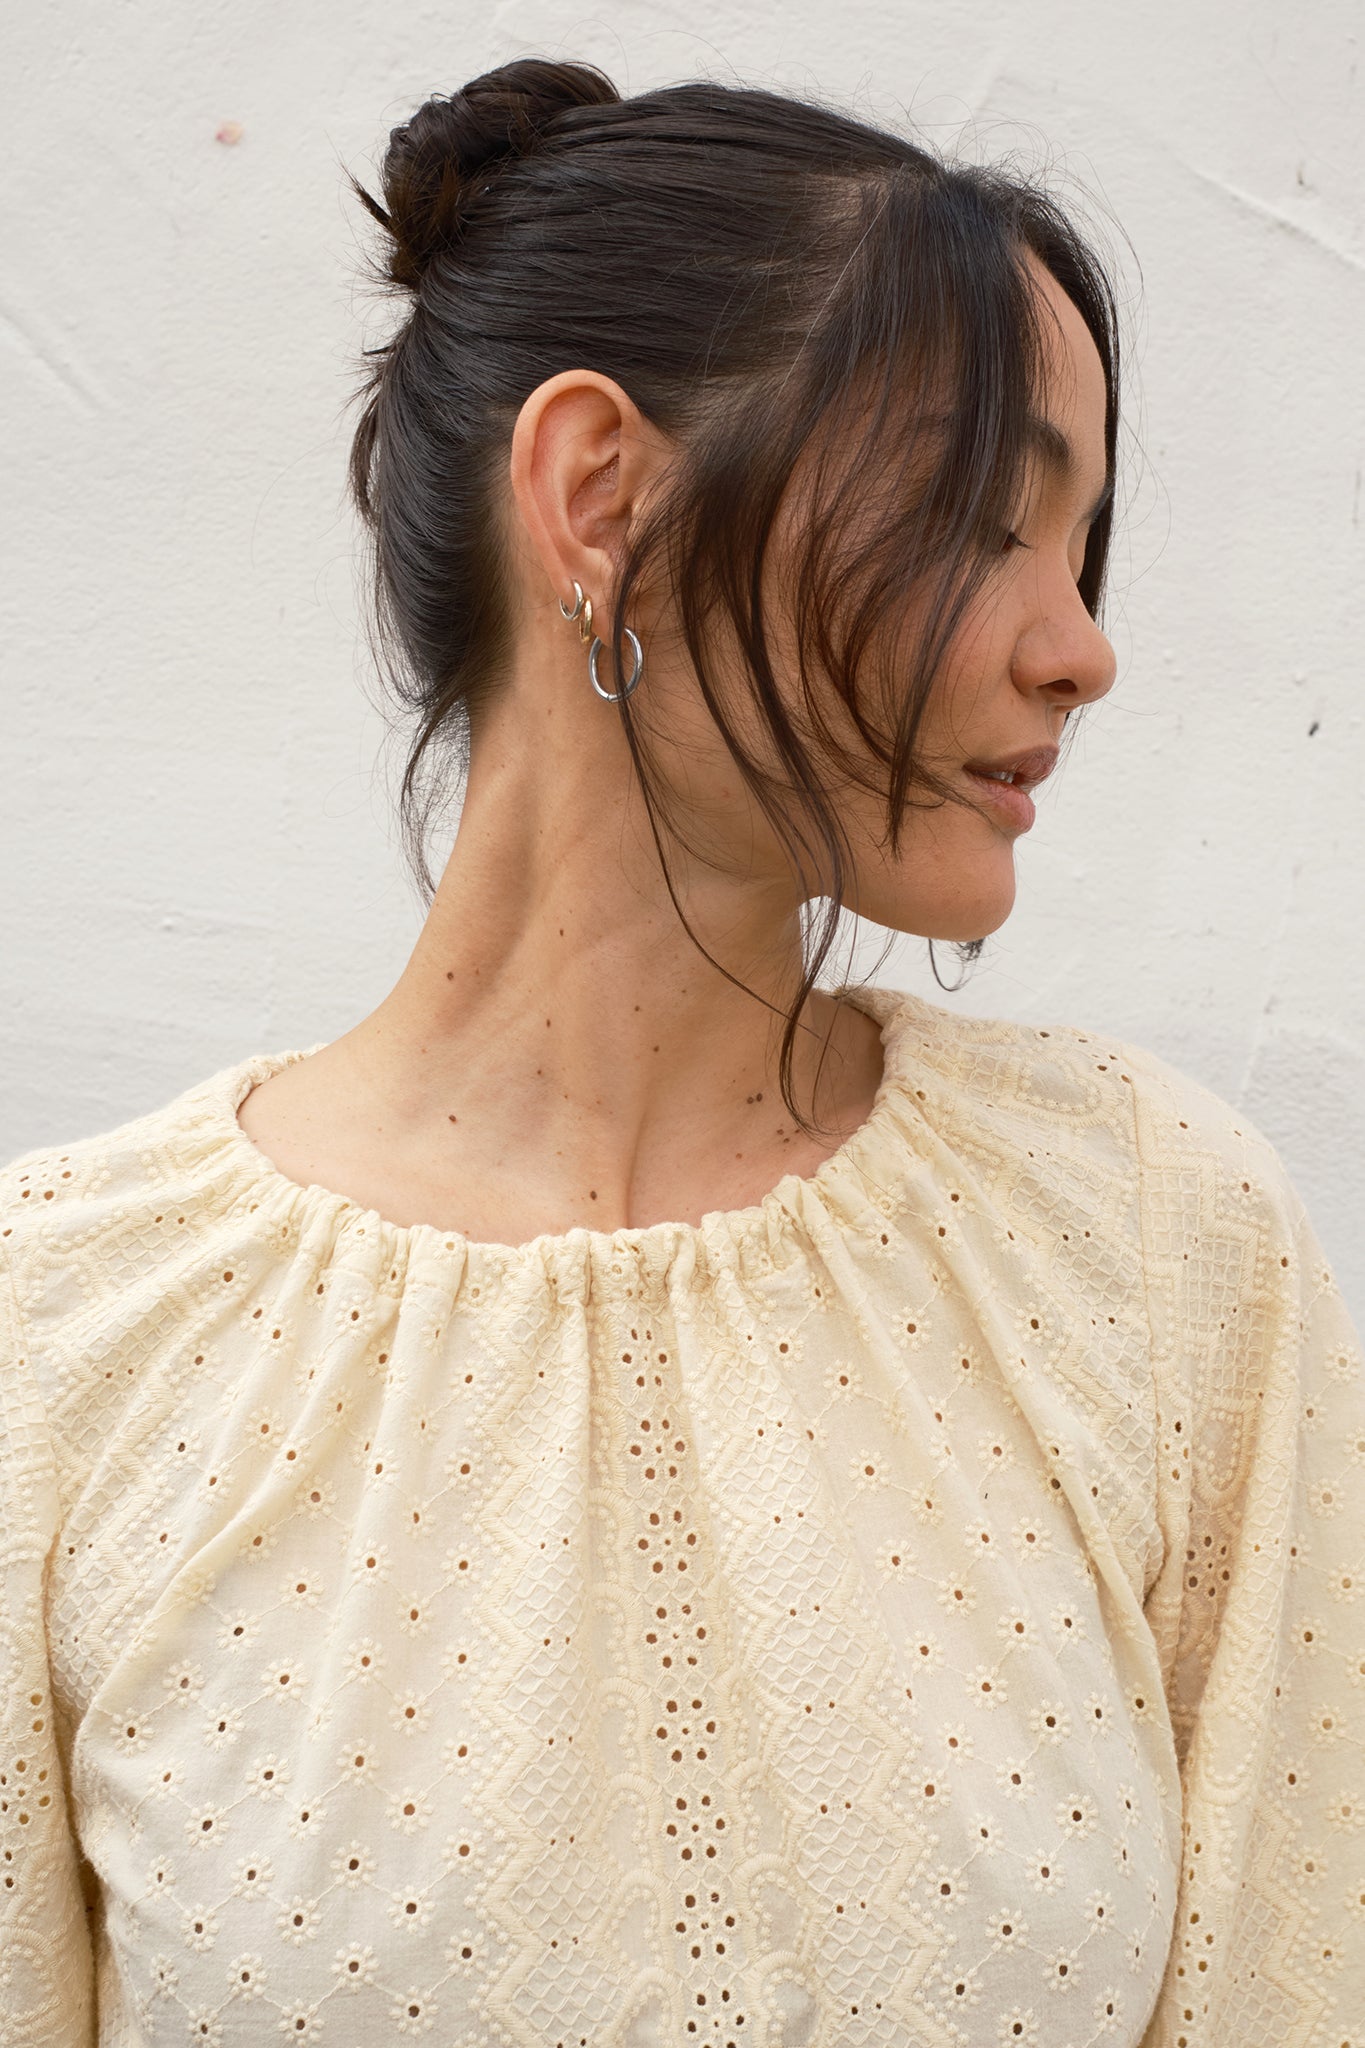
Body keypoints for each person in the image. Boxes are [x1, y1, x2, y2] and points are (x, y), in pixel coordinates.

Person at [1, 57, 1360, 2048]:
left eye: (1079, 549)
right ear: (599, 496)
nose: (1079, 644)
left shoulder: (1159, 1247)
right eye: (988, 518)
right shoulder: (66, 1339)